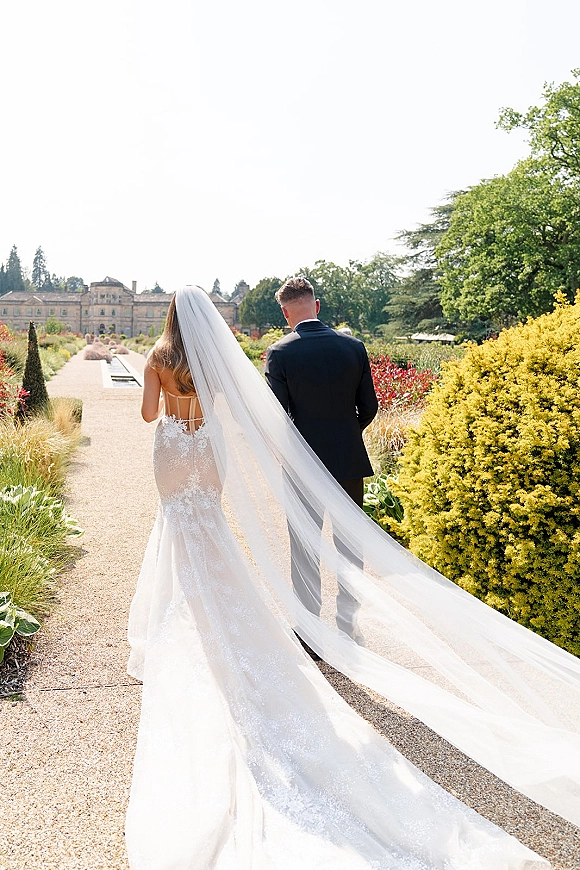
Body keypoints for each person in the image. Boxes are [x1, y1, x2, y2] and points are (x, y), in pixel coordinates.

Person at [125, 285, 580, 870]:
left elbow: (183, 415)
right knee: (306, 537)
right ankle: (347, 618)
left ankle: (300, 623)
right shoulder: (347, 346)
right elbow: (361, 408)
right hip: (309, 453)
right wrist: (338, 433)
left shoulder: (207, 357)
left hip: (206, 450)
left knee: (262, 539)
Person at [265, 276, 378, 639]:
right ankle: (347, 622)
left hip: (303, 465)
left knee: (305, 544)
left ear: (286, 313)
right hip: (349, 462)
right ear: (316, 306)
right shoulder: (354, 346)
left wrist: (305, 443)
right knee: (349, 544)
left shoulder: (280, 353)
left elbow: (277, 414)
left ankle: (311, 629)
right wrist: (345, 435)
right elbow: (370, 407)